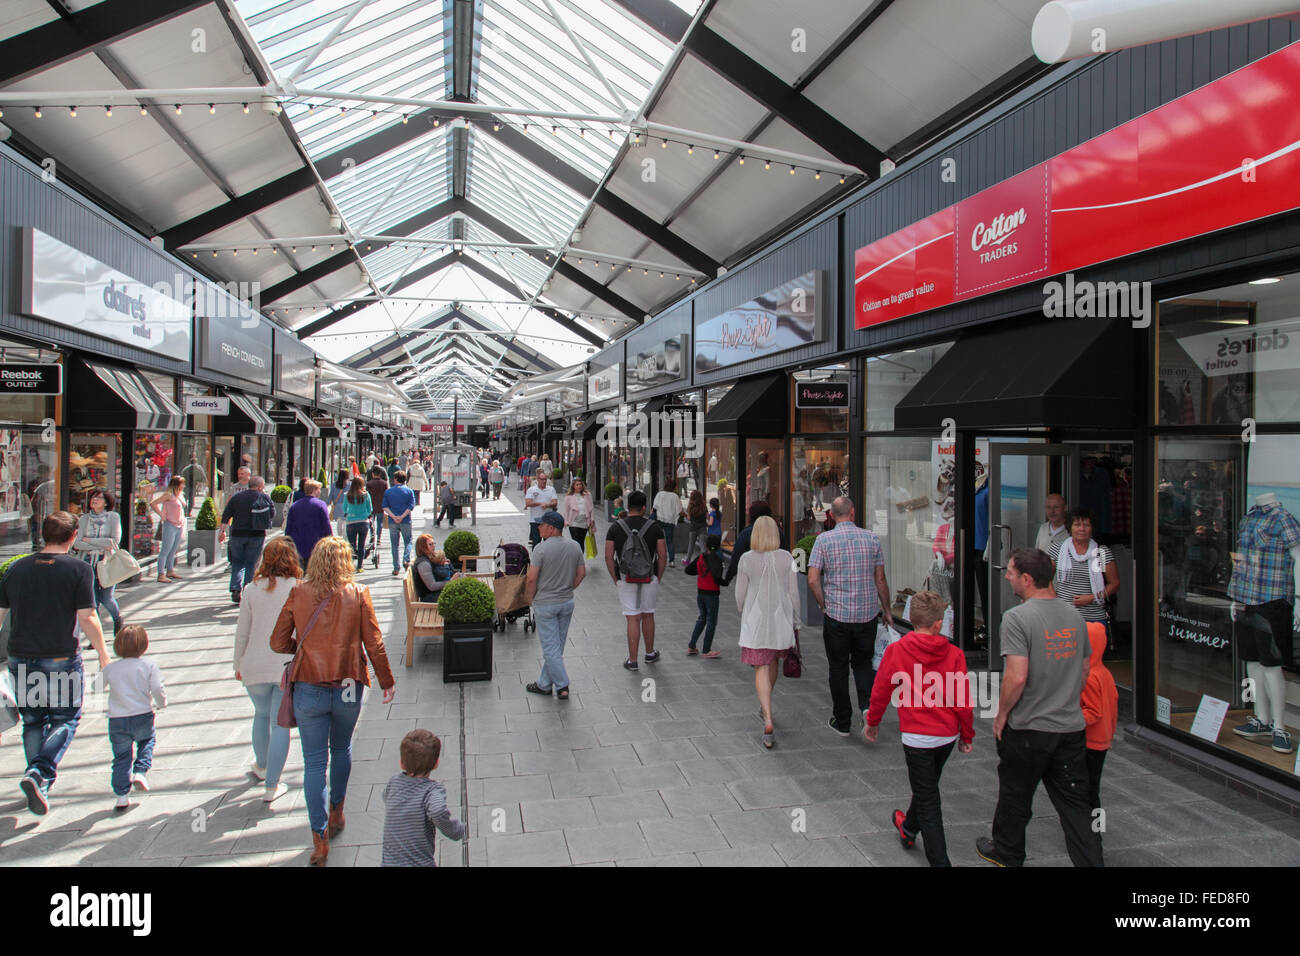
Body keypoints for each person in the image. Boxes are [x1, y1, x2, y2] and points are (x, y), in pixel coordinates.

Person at [271, 537, 397, 866]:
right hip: (346, 684)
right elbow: (375, 642)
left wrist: (303, 648)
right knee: (341, 749)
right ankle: (338, 810)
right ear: (346, 561)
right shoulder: (357, 594)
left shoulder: (298, 592)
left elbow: (277, 641)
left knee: (314, 764)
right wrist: (386, 680)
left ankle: (319, 839)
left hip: (310, 686)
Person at [976, 548, 1103, 868]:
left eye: (1012, 572)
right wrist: (1064, 696)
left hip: (1028, 728)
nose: (1006, 576)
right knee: (1076, 808)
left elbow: (1016, 677)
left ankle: (1007, 854)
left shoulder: (1017, 618)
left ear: (1027, 579)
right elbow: (1085, 666)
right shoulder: (1074, 615)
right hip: (1070, 728)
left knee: (1016, 797)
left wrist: (1002, 714)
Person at [2, 511, 109, 815]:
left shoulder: (16, 569)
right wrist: (103, 653)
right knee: (65, 717)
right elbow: (87, 616)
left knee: (34, 720)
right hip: (60, 656)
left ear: (43, 534)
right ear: (73, 536)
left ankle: (39, 780)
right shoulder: (79, 570)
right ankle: (39, 772)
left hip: (20, 655)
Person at [864, 592, 974, 867]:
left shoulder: (897, 650)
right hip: (946, 735)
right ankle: (909, 827)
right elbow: (963, 700)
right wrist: (966, 734)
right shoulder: (955, 654)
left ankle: (940, 861)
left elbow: (880, 691)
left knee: (929, 801)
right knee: (927, 788)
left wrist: (873, 722)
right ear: (939, 624)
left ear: (912, 619)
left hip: (916, 738)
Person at [808, 496, 894, 737]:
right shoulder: (871, 538)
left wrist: (824, 604)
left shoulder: (824, 540)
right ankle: (867, 707)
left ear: (832, 516)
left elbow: (813, 579)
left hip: (837, 615)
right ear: (853, 513)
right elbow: (880, 580)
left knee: (838, 667)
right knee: (863, 663)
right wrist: (887, 610)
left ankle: (843, 721)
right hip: (866, 614)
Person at [234, 536, 300, 803]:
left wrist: (238, 663)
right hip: (283, 665)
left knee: (260, 715)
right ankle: (272, 785)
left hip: (254, 664)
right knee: (279, 723)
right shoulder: (298, 587)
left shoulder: (251, 589)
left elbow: (242, 632)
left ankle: (261, 766)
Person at [736, 516, 798, 749]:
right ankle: (766, 708)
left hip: (756, 619)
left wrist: (742, 609)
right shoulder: (787, 557)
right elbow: (794, 593)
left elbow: (740, 594)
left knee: (760, 666)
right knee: (773, 663)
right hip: (780, 618)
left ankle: (768, 716)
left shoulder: (747, 559)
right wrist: (797, 620)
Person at [97, 624, 166, 810]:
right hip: (142, 714)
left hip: (117, 719)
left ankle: (121, 795)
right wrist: (161, 703)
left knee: (121, 757)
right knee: (147, 742)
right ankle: (140, 772)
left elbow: (96, 687)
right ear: (144, 645)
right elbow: (158, 689)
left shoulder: (111, 668)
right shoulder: (149, 666)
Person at [525, 512, 587, 699]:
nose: (538, 528)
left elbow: (531, 579)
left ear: (551, 528)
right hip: (566, 601)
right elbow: (581, 573)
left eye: (541, 525)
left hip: (545, 603)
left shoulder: (540, 549)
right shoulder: (574, 546)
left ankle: (562, 685)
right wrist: (569, 587)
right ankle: (544, 684)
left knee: (551, 648)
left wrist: (531, 599)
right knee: (557, 646)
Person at [382, 729, 466, 867]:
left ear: (401, 763)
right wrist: (457, 830)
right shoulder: (432, 791)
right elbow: (437, 811)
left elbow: (386, 797)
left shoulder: (394, 782)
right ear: (436, 764)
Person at [605, 491, 666, 671]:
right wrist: (658, 576)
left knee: (633, 618)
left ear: (627, 506)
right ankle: (649, 653)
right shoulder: (654, 527)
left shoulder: (616, 527)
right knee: (648, 614)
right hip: (649, 577)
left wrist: (616, 579)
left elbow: (609, 556)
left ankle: (632, 660)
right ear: (644, 507)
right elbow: (662, 555)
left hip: (626, 577)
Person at [1051, 508, 1120, 648]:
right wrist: (1054, 600)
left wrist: (1092, 597)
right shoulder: (1057, 549)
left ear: (1092, 528)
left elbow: (1115, 584)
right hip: (1063, 617)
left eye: (1086, 525)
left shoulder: (1101, 552)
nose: (1081, 529)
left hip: (1094, 619)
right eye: (1077, 525)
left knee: (1092, 664)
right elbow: (1043, 578)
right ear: (1070, 527)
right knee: (1065, 662)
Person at [72, 489, 124, 636]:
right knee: (93, 600)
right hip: (88, 562)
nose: (95, 500)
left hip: (106, 561)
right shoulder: (83, 519)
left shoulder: (113, 517)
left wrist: (89, 541)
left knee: (106, 597)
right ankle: (96, 635)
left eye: (99, 498)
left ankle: (117, 619)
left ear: (106, 502)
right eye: (93, 497)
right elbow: (77, 543)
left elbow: (114, 542)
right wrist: (101, 543)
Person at [219, 476, 275, 604]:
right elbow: (272, 514)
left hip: (237, 534)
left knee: (237, 562)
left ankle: (235, 588)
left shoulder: (237, 497)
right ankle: (247, 589)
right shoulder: (264, 497)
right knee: (252, 563)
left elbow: (226, 515)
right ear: (260, 486)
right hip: (257, 534)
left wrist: (221, 531)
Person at [1081, 621, 1117, 813]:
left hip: (1089, 741)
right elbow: (1113, 706)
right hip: (1102, 740)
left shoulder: (1089, 677)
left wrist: (1071, 719)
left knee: (1086, 787)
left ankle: (1091, 828)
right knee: (1093, 786)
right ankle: (1094, 826)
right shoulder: (1105, 673)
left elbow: (1093, 712)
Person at [722, 500, 788, 585]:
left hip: (753, 581)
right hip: (775, 581)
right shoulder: (777, 532)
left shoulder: (746, 534)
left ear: (751, 515)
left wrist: (728, 578)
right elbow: (785, 554)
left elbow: (736, 558)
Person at [686, 535, 726, 658]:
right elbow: (717, 577)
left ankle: (692, 645)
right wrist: (725, 582)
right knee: (711, 621)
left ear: (707, 545)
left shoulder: (701, 556)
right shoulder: (717, 558)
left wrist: (699, 572)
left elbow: (688, 570)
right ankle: (706, 649)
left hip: (700, 593)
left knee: (702, 618)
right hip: (712, 594)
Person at [285, 479, 333, 567]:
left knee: (299, 572)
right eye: (319, 489)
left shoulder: (295, 505)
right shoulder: (321, 505)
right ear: (314, 490)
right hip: (316, 544)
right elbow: (326, 525)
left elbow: (289, 527)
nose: (320, 491)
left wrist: (288, 542)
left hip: (298, 544)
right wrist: (330, 540)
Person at [150, 475, 187, 583]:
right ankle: (161, 574)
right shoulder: (168, 495)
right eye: (182, 483)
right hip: (170, 524)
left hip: (179, 524)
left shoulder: (179, 495)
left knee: (173, 549)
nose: (184, 486)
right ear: (177, 484)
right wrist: (161, 515)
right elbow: (153, 503)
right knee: (165, 550)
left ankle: (170, 570)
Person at [383, 471, 417, 576]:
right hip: (406, 520)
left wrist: (393, 516)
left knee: (394, 544)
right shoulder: (409, 491)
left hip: (392, 521)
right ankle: (406, 559)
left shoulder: (388, 492)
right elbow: (411, 506)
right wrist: (402, 516)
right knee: (408, 541)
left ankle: (396, 567)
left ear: (396, 479)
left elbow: (385, 506)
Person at [341, 477, 373, 572]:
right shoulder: (366, 495)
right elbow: (370, 508)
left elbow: (344, 508)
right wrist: (366, 515)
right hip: (363, 522)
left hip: (351, 522)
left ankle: (350, 565)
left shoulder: (347, 495)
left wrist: (348, 513)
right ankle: (360, 566)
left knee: (351, 545)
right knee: (361, 544)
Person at [412, 535, 454, 601]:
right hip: (429, 597)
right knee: (460, 595)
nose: (433, 546)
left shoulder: (429, 557)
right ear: (423, 547)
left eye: (434, 543)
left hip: (435, 593)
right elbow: (432, 586)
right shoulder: (423, 564)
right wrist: (451, 581)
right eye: (430, 544)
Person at [652, 478, 683, 568]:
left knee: (657, 540)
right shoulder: (675, 496)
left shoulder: (660, 494)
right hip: (670, 521)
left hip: (659, 519)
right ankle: (671, 561)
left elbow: (654, 507)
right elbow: (679, 510)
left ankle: (656, 558)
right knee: (670, 541)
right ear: (674, 487)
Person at [525, 471, 558, 548]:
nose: (544, 481)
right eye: (542, 479)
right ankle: (536, 558)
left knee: (549, 543)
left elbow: (555, 502)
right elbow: (528, 503)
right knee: (536, 543)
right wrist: (540, 503)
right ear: (537, 480)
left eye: (545, 479)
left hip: (548, 521)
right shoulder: (531, 490)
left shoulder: (551, 489)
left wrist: (547, 505)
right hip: (535, 520)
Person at [366, 466, 389, 560]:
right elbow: (386, 494)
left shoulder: (369, 483)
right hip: (381, 505)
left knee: (371, 522)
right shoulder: (384, 483)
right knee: (379, 522)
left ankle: (372, 536)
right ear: (380, 474)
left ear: (373, 474)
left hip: (371, 506)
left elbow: (367, 496)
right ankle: (378, 537)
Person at [682, 490, 708, 569]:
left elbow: (689, 518)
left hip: (693, 528)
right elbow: (707, 516)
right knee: (703, 546)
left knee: (691, 545)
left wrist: (685, 515)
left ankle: (687, 560)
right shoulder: (704, 506)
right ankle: (706, 562)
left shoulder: (690, 506)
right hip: (703, 527)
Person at [563, 478, 593, 545]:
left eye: (580, 484)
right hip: (574, 522)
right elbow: (566, 511)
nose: (579, 486)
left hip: (584, 522)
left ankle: (580, 555)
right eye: (577, 485)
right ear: (573, 486)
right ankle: (577, 555)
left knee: (581, 542)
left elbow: (591, 508)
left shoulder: (587, 495)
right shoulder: (568, 496)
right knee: (576, 542)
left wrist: (592, 519)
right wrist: (566, 520)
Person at [326, 469, 350, 537]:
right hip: (347, 506)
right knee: (345, 522)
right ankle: (345, 538)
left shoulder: (334, 484)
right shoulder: (349, 485)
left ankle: (339, 536)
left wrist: (326, 504)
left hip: (337, 507)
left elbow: (331, 496)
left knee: (339, 522)